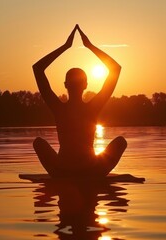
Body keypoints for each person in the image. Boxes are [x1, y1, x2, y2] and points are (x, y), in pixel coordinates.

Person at [32, 25, 127, 178]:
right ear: (85, 85)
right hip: (91, 170)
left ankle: (65, 173)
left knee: (38, 142)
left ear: (65, 85)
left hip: (63, 169)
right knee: (121, 142)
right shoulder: (92, 108)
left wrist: (65, 47)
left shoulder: (58, 108)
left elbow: (37, 68)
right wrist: (89, 46)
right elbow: (115, 68)